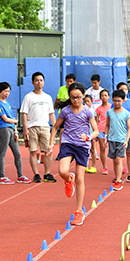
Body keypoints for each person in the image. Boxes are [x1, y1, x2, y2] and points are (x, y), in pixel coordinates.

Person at [47, 82, 98, 226]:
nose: (76, 101)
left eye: (78, 97)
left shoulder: (88, 111)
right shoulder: (65, 111)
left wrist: (89, 137)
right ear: (69, 97)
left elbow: (96, 130)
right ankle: (68, 179)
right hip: (68, 143)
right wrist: (51, 144)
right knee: (62, 171)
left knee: (80, 179)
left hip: (82, 146)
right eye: (73, 98)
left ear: (83, 96)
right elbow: (55, 127)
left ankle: (78, 211)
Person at [21, 72, 56, 183]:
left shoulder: (48, 97)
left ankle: (47, 173)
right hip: (32, 127)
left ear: (43, 82)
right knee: (33, 151)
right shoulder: (28, 97)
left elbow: (51, 113)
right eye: (36, 80)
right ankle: (36, 174)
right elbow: (24, 113)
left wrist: (55, 126)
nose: (39, 82)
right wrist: (25, 128)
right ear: (32, 82)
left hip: (45, 127)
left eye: (41, 80)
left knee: (48, 151)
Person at [0, 82, 31, 185]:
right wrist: (15, 122)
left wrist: (15, 131)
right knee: (3, 152)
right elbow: (6, 119)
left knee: (17, 153)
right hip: (4, 129)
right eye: (5, 91)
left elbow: (12, 118)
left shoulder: (7, 103)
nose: (7, 93)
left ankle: (20, 176)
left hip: (11, 130)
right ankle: (2, 177)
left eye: (8, 91)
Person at [105, 89, 130, 191]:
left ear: (123, 100)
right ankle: (116, 177)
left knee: (119, 160)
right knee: (114, 160)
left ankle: (119, 181)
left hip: (121, 140)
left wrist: (126, 140)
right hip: (112, 139)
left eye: (119, 101)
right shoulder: (109, 112)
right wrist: (106, 136)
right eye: (115, 101)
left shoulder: (126, 113)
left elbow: (129, 128)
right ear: (112, 100)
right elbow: (107, 125)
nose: (117, 103)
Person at [115, 82, 130, 176]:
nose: (124, 91)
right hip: (119, 132)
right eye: (122, 89)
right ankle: (118, 174)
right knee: (118, 155)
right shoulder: (115, 103)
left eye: (126, 89)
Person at [54, 73, 76, 160]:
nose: (69, 83)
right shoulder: (62, 89)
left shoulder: (76, 90)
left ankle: (73, 152)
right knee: (62, 132)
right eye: (68, 81)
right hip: (63, 114)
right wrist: (54, 107)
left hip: (73, 114)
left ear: (74, 81)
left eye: (71, 81)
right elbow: (57, 99)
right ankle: (61, 152)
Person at [95, 89, 111, 175]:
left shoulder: (112, 107)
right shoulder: (98, 109)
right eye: (102, 95)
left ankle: (120, 166)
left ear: (109, 96)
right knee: (102, 148)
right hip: (101, 130)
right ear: (100, 97)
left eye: (105, 95)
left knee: (115, 148)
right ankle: (104, 167)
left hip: (111, 131)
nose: (104, 97)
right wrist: (96, 132)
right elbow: (96, 121)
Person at [83, 94, 97, 173]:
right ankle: (85, 165)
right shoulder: (82, 111)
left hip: (91, 133)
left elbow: (95, 123)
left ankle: (94, 166)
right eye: (84, 101)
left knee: (93, 149)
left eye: (88, 101)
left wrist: (95, 134)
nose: (86, 103)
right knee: (84, 150)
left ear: (92, 102)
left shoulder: (93, 112)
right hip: (84, 133)